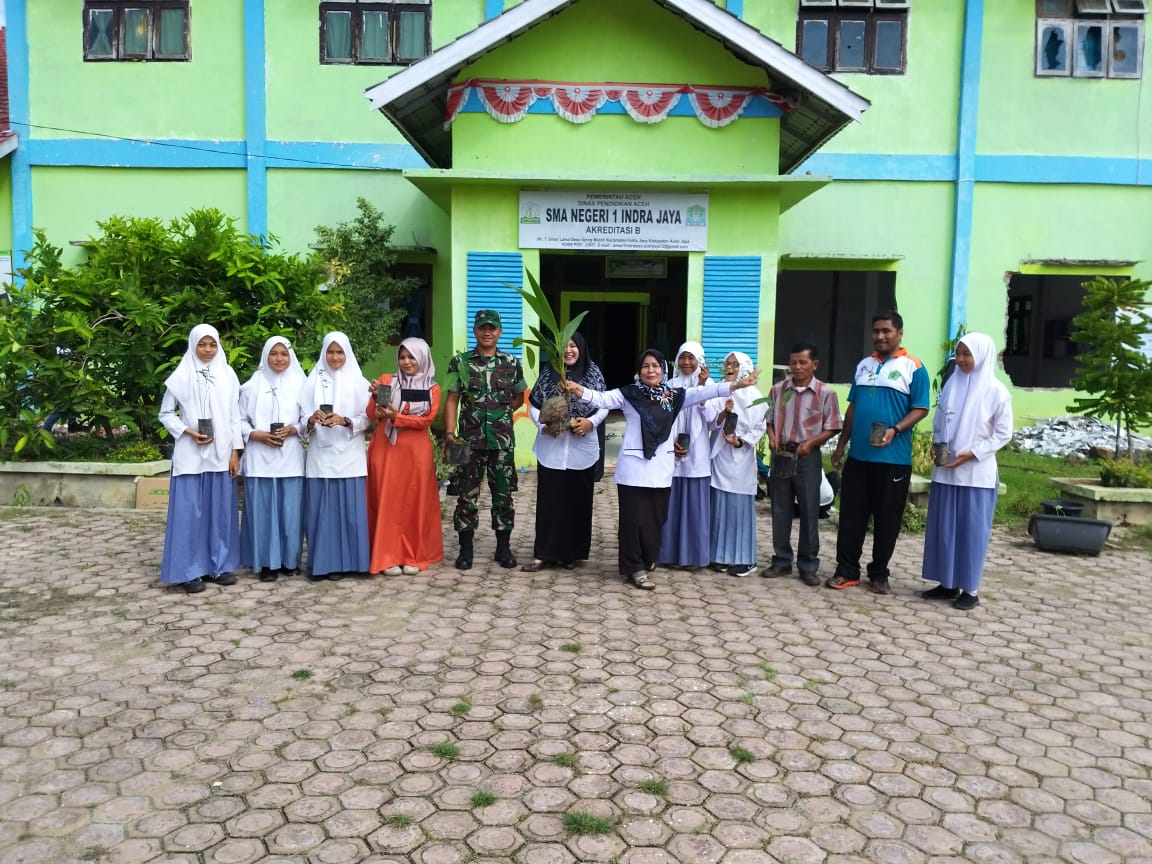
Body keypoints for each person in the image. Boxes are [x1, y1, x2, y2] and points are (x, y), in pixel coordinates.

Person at [563, 349, 760, 591]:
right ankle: (633, 567)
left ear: (663, 370)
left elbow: (703, 392)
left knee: (654, 522)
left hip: (661, 470)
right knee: (632, 522)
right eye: (646, 366)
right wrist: (577, 390)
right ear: (639, 371)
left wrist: (735, 386)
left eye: (655, 365)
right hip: (633, 470)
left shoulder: (674, 396)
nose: (651, 370)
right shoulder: (628, 394)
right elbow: (602, 399)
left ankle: (646, 561)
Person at [828, 311, 930, 595]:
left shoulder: (914, 367)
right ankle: (847, 570)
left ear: (900, 333)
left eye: (886, 331)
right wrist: (841, 444)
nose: (880, 336)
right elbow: (853, 407)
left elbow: (921, 408)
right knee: (851, 517)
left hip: (893, 460)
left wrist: (895, 430)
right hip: (859, 458)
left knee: (887, 520)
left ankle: (879, 573)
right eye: (876, 331)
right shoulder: (864, 365)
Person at [920, 333, 1013, 610]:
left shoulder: (997, 392)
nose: (960, 360)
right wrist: (937, 445)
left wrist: (972, 453)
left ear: (982, 356)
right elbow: (940, 420)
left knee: (971, 532)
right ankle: (947, 583)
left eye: (966, 355)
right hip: (947, 470)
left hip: (976, 475)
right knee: (944, 528)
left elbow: (1004, 433)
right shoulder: (951, 386)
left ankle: (970, 590)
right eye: (958, 354)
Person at [158, 324, 243, 593]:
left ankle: (218, 567)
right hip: (190, 455)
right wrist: (187, 431)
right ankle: (188, 571)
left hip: (220, 454)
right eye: (202, 345)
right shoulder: (182, 375)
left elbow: (234, 417)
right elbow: (166, 413)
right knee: (190, 513)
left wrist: (234, 452)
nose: (207, 350)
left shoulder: (227, 374)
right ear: (193, 345)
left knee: (219, 513)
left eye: (212, 345)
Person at [444, 310, 528, 570]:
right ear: (475, 330)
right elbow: (452, 399)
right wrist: (449, 434)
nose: (487, 332)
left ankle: (503, 548)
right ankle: (465, 551)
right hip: (469, 442)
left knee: (503, 496)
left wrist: (497, 417)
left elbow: (518, 397)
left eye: (492, 328)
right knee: (466, 497)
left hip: (501, 443)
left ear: (500, 331)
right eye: (482, 327)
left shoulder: (511, 363)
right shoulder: (460, 363)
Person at [521, 333, 608, 572]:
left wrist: (590, 423)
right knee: (550, 502)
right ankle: (543, 554)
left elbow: (604, 405)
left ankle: (572, 553)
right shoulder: (548, 374)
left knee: (577, 502)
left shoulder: (593, 374)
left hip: (582, 449)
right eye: (564, 347)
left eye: (573, 346)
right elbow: (534, 406)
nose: (569, 351)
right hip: (552, 449)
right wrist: (544, 426)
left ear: (581, 348)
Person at [762, 342, 842, 586]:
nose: (796, 367)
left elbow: (833, 426)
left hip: (808, 456)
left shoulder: (826, 393)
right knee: (780, 509)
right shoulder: (777, 390)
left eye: (802, 362)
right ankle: (782, 560)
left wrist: (812, 443)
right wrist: (772, 436)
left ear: (814, 364)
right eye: (793, 362)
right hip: (781, 455)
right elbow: (768, 420)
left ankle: (808, 565)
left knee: (809, 510)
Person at [366, 338, 444, 576]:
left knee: (413, 500)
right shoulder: (387, 380)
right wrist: (375, 398)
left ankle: (412, 554)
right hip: (386, 448)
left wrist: (396, 416)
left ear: (423, 358)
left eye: (412, 357)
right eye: (402, 357)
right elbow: (371, 415)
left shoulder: (433, 389)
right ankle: (387, 555)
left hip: (416, 451)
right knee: (387, 499)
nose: (407, 362)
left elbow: (427, 420)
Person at [299, 332, 371, 582]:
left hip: (350, 455)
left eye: (340, 352)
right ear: (324, 353)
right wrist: (310, 419)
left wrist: (345, 420)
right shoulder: (312, 382)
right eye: (330, 351)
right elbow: (300, 419)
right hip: (321, 455)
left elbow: (368, 417)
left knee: (351, 511)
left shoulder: (359, 382)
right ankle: (323, 564)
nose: (335, 357)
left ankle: (354, 562)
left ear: (348, 353)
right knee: (323, 512)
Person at [238, 336, 307, 582]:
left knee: (290, 512)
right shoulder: (250, 387)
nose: (279, 358)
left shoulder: (302, 385)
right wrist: (254, 434)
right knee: (263, 512)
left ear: (291, 357)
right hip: (260, 458)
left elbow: (308, 420)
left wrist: (294, 429)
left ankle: (289, 561)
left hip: (290, 457)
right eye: (274, 354)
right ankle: (266, 562)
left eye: (284, 354)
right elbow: (238, 420)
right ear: (266, 356)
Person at [706, 352, 768, 577]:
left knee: (738, 507)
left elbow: (760, 427)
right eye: (727, 364)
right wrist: (725, 412)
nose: (730, 367)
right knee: (719, 506)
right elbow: (711, 421)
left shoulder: (754, 395)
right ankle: (719, 556)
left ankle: (744, 559)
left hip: (740, 457)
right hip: (720, 455)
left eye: (735, 364)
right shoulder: (721, 390)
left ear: (744, 367)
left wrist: (741, 440)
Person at [657, 341, 713, 569]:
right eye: (683, 358)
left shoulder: (711, 385)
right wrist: (671, 443)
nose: (687, 363)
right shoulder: (668, 385)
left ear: (700, 361)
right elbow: (661, 419)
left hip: (698, 454)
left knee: (693, 509)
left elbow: (712, 420)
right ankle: (668, 554)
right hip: (672, 452)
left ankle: (692, 557)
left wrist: (702, 389)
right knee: (670, 507)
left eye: (692, 358)